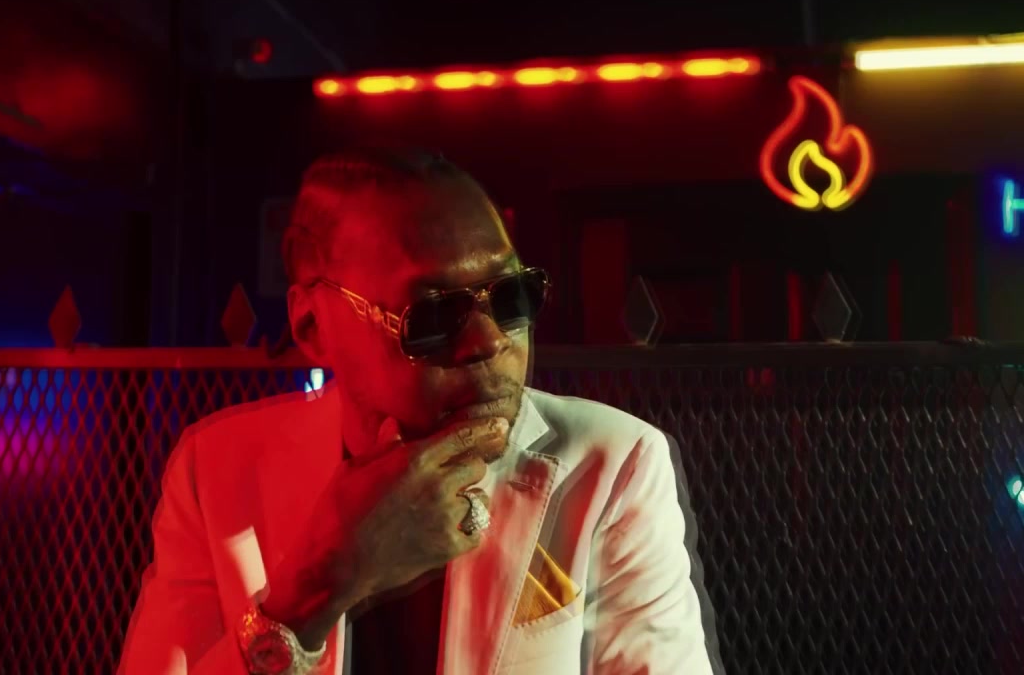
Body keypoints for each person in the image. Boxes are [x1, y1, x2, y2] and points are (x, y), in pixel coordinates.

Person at [119, 147, 715, 674]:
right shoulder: (216, 472)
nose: (490, 341)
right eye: (433, 315)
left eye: (513, 296)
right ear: (312, 325)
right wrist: (316, 590)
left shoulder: (609, 465)